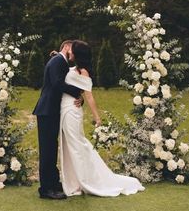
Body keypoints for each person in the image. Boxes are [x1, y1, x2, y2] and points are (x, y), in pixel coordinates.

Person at [60, 40, 145, 197]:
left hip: (72, 111)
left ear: (78, 54)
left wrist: (97, 118)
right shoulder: (71, 67)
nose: (69, 51)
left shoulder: (83, 72)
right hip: (66, 109)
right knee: (71, 146)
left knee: (77, 146)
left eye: (72, 50)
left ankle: (86, 180)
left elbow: (89, 96)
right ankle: (73, 181)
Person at [32, 40, 82, 200]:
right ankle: (46, 189)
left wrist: (79, 97)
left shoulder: (60, 61)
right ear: (66, 47)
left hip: (52, 111)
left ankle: (53, 182)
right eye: (73, 50)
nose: (74, 55)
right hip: (47, 111)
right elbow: (57, 83)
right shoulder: (57, 61)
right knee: (47, 151)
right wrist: (77, 92)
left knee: (51, 149)